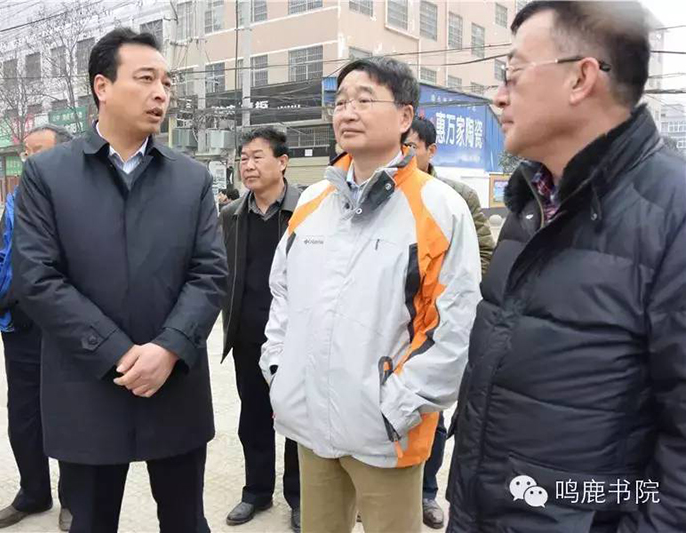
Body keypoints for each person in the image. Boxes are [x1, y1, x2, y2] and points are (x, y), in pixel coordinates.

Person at [447, 2, 686, 532]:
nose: (498, 96)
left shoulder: (673, 214)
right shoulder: (531, 203)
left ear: (581, 78)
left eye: (513, 71)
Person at [11, 28, 227, 533]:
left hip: (173, 384)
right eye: (146, 79)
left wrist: (168, 349)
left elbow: (210, 273)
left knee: (185, 521)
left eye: (166, 83)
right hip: (87, 384)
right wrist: (118, 353)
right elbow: (37, 277)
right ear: (102, 86)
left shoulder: (191, 178)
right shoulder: (48, 174)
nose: (161, 93)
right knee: (88, 521)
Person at [260, 56, 481, 533]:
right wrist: (280, 371)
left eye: (364, 100)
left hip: (387, 435)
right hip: (311, 425)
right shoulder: (313, 203)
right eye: (340, 102)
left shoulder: (439, 207)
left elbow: (453, 325)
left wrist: (395, 407)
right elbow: (283, 296)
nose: (347, 112)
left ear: (404, 116)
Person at [405, 116, 494, 530]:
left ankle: (426, 492)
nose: (405, 154)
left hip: (437, 321)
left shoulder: (458, 197)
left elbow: (485, 254)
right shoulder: (386, 194)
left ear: (430, 151)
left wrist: (452, 297)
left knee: (431, 412)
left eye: (412, 146)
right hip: (393, 324)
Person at [0, 124, 74, 531]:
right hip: (21, 327)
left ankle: (73, 498)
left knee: (69, 413)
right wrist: (17, 301)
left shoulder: (78, 200)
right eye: (27, 152)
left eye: (39, 151)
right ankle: (33, 492)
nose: (29, 159)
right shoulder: (15, 201)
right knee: (23, 415)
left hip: (66, 328)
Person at [220, 127, 301, 532]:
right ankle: (256, 491)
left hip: (297, 337)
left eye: (257, 157)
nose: (248, 166)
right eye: (244, 159)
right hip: (248, 335)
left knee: (296, 419)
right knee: (253, 417)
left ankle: (300, 497)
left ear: (282, 162)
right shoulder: (231, 215)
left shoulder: (309, 209)